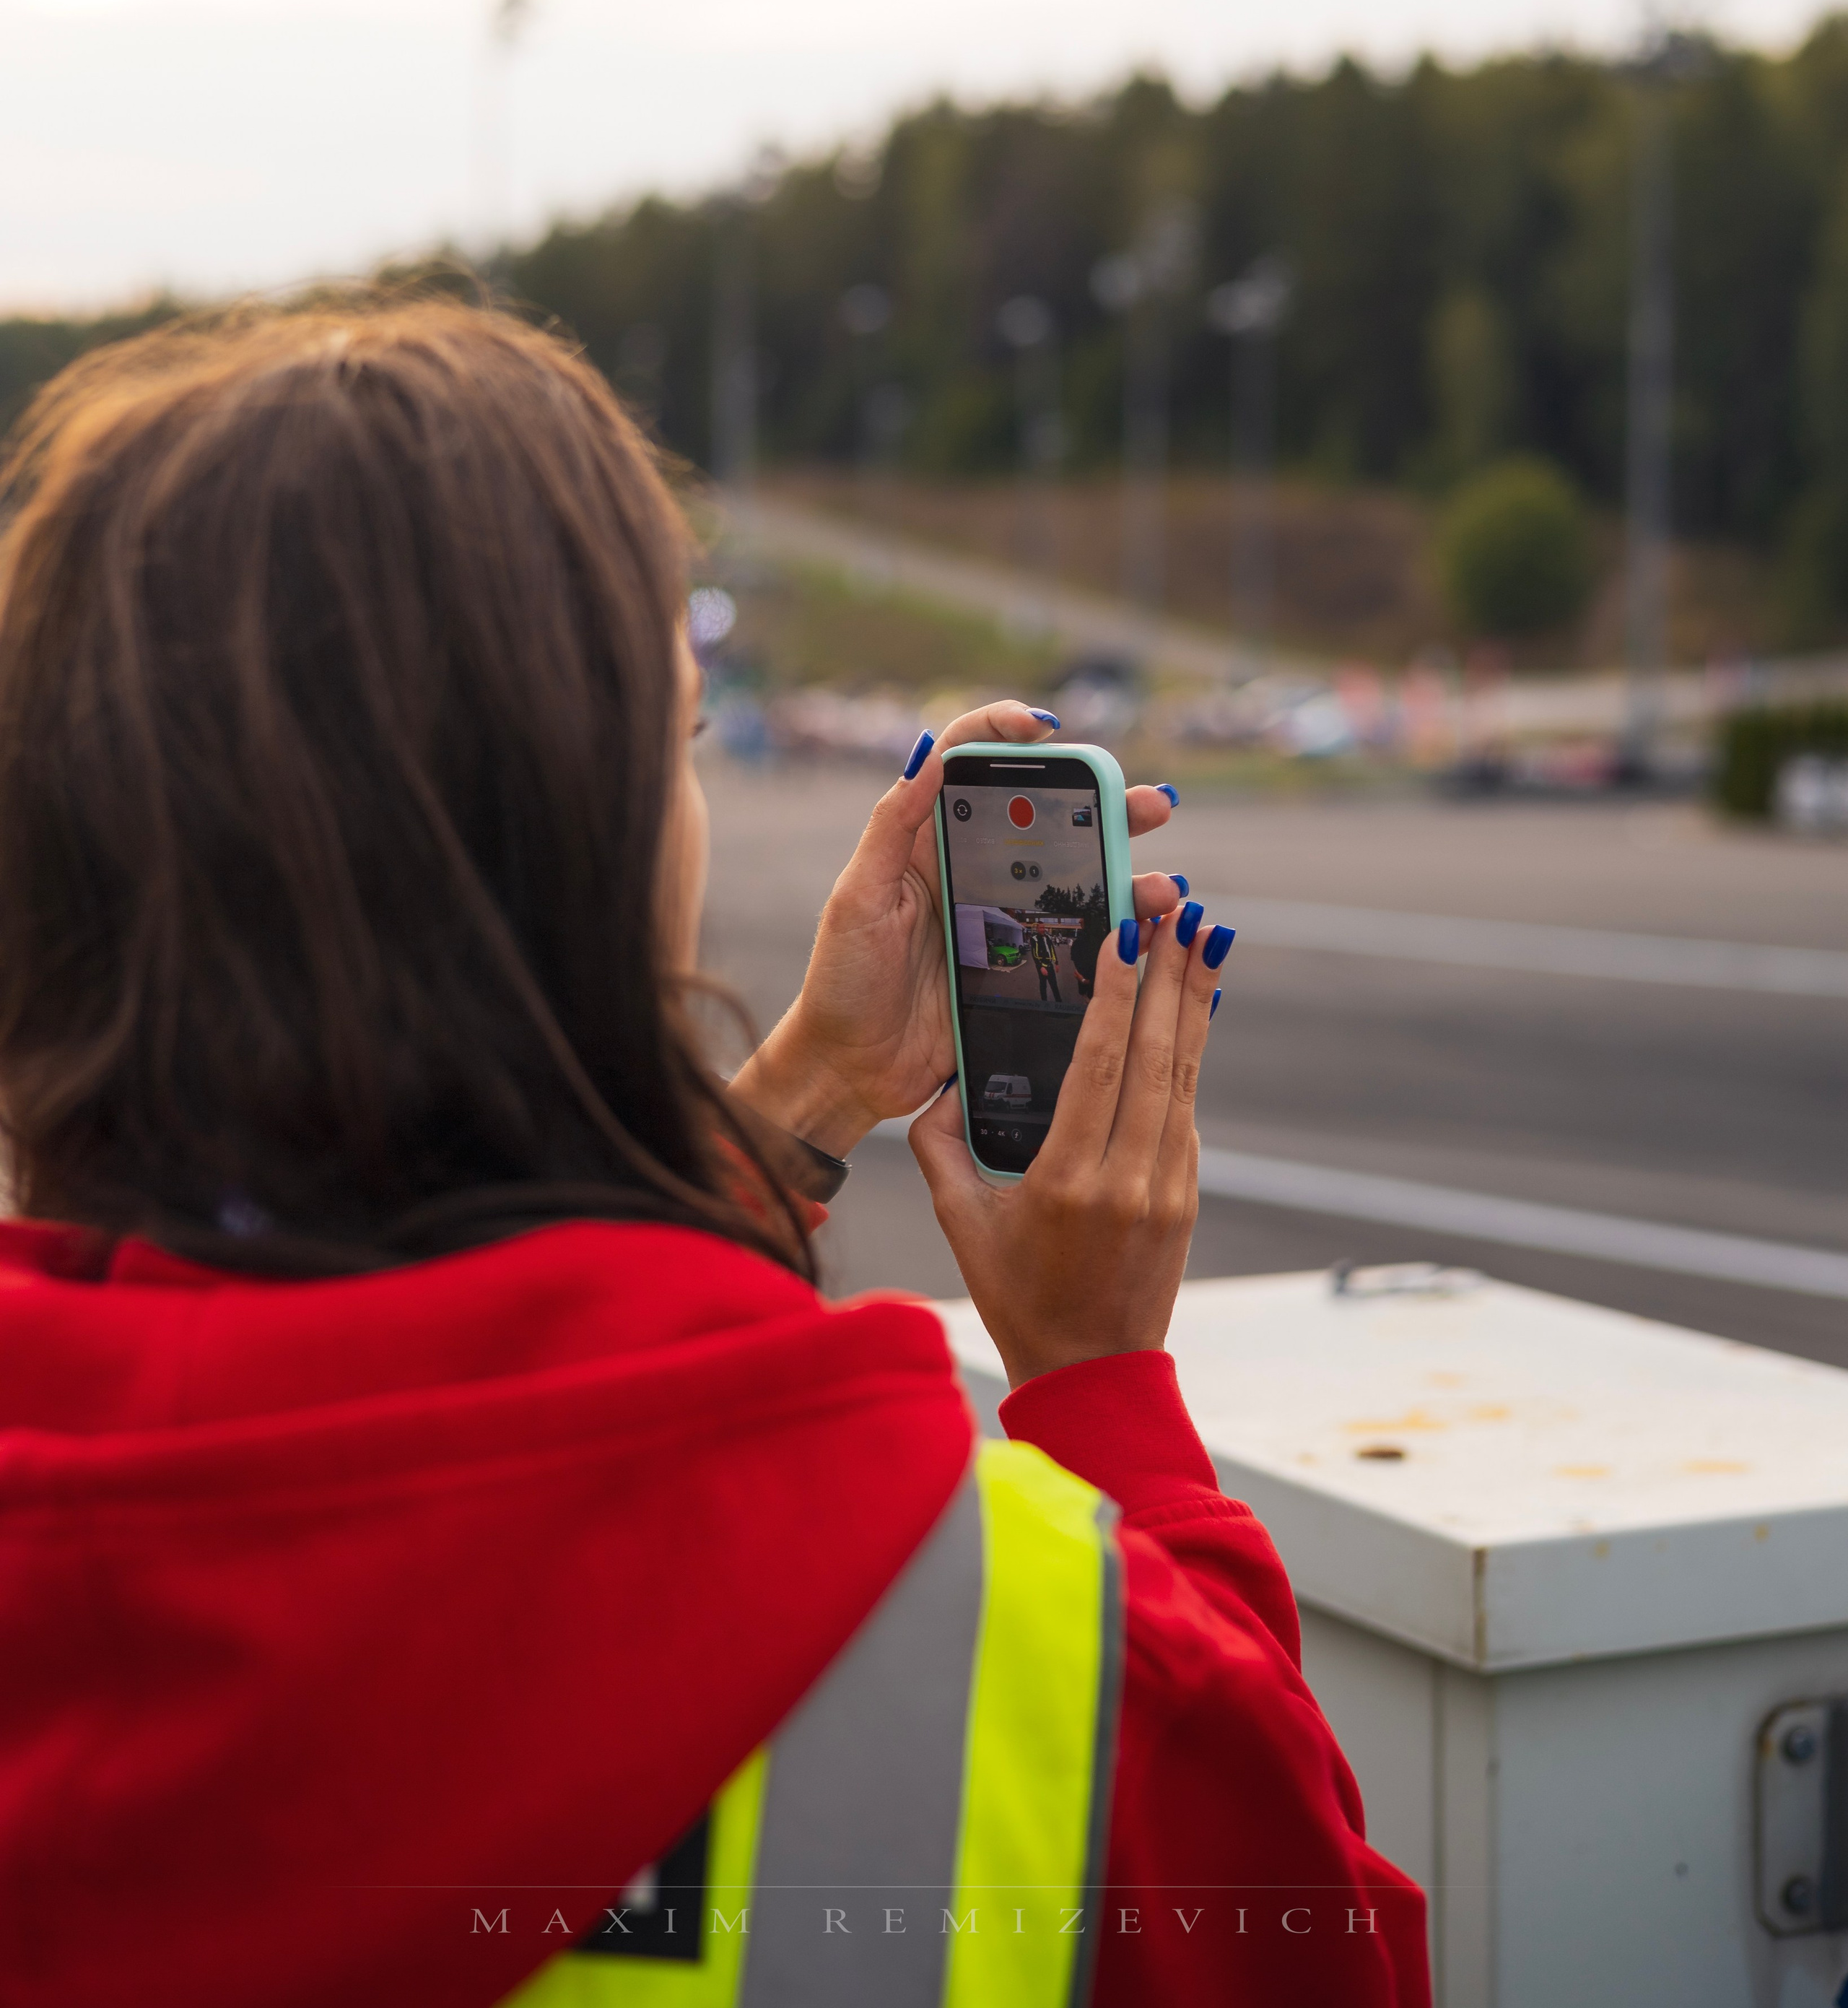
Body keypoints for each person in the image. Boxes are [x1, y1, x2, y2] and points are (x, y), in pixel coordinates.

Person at [0, 301, 1429, 2008]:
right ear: (585, 842)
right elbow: (1317, 1948)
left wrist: (815, 1083)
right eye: (673, 743)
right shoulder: (1006, 1643)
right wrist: (1106, 1390)